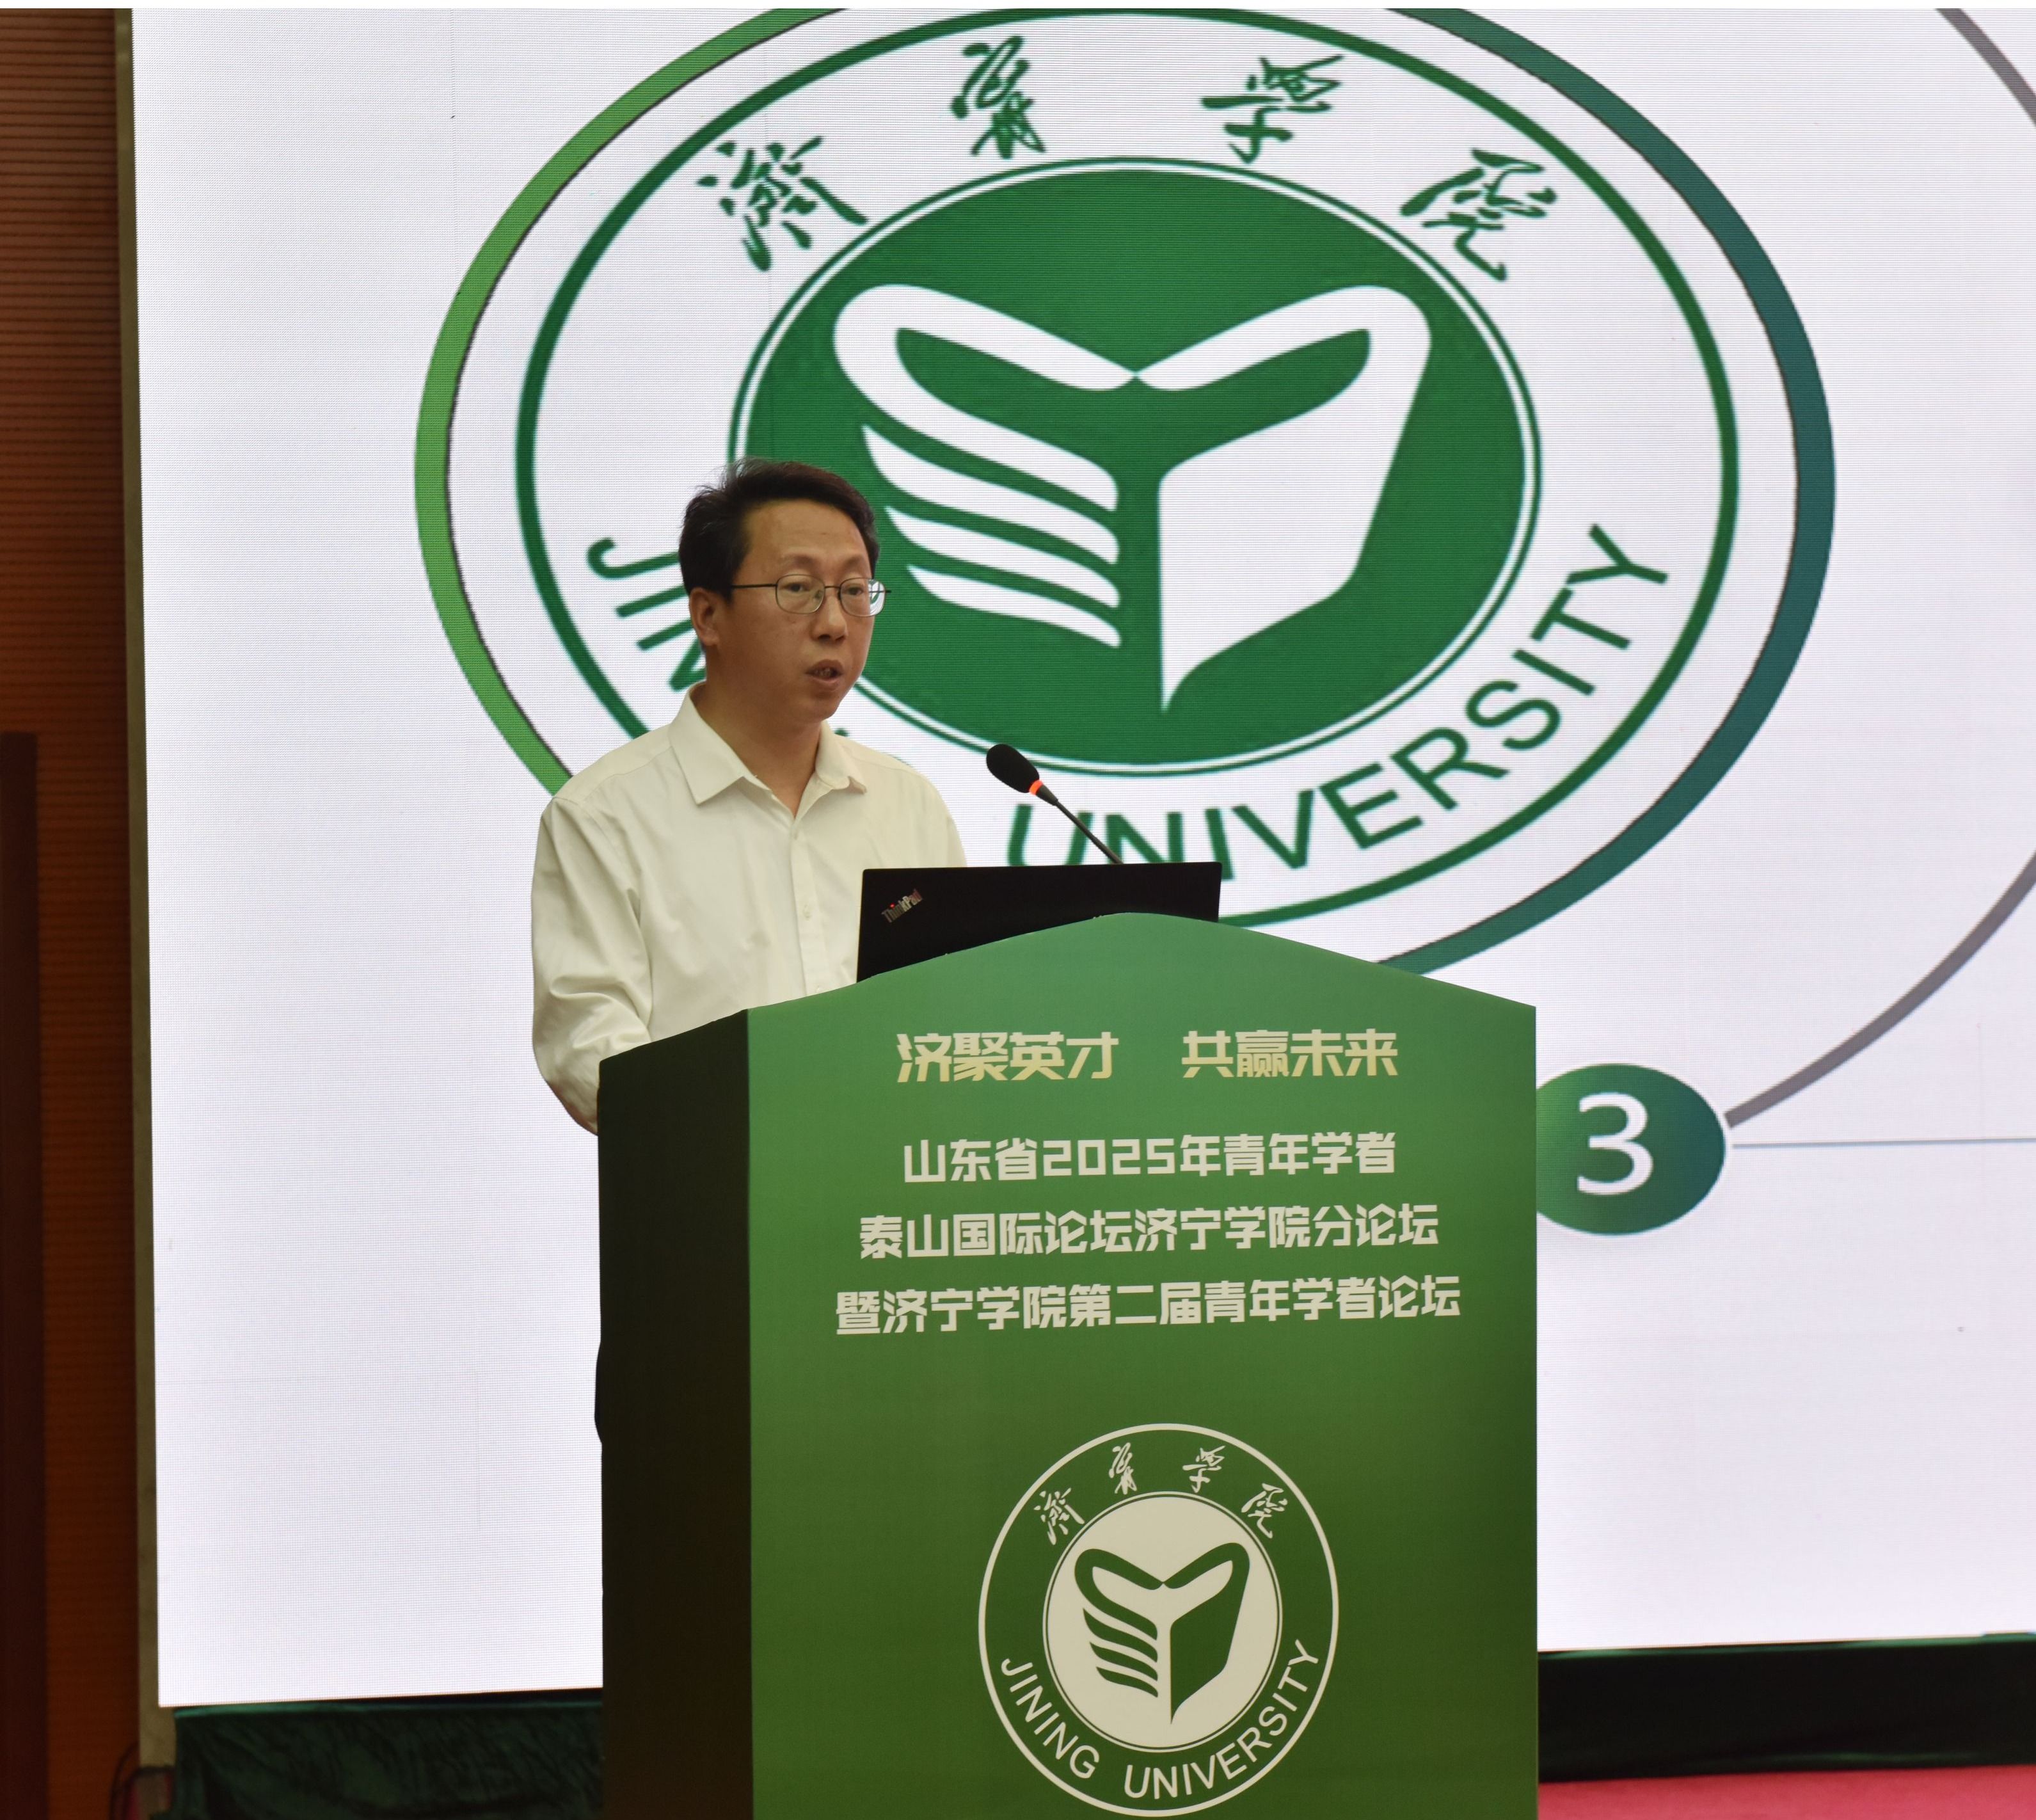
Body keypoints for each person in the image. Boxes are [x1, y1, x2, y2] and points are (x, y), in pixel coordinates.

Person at [530, 459, 966, 1131]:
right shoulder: (604, 816)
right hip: (714, 1181)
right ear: (708, 614)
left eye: (854, 590)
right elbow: (589, 1049)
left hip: (894, 1182)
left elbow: (956, 1013)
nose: (835, 622)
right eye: (799, 589)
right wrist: (765, 1131)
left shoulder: (907, 805)